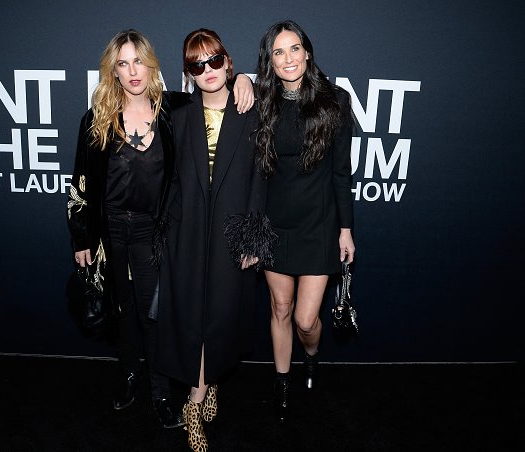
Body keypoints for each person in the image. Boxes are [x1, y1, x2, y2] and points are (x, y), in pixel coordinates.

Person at [66, 29, 254, 429]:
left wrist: (243, 79)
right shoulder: (96, 118)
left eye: (139, 61)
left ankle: (161, 392)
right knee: (123, 311)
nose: (132, 71)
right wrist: (82, 237)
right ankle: (130, 377)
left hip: (155, 233)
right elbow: (81, 182)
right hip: (111, 232)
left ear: (151, 64)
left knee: (156, 314)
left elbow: (214, 91)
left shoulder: (173, 109)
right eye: (123, 63)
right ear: (113, 71)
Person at [154, 29, 275, 451]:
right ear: (186, 73)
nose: (207, 70)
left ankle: (198, 394)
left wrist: (253, 238)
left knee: (220, 319)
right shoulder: (178, 113)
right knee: (193, 321)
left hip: (231, 234)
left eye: (214, 60)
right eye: (196, 64)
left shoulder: (253, 110)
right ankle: (196, 400)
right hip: (185, 236)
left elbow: (261, 178)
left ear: (228, 60)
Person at [254, 20, 356, 423]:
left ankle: (311, 356)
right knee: (280, 307)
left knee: (305, 319)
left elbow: (341, 172)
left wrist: (345, 229)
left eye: (294, 49)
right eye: (278, 52)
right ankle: (282, 383)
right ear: (270, 61)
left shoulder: (335, 102)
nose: (288, 58)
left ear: (307, 53)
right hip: (274, 225)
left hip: (319, 224)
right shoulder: (262, 103)